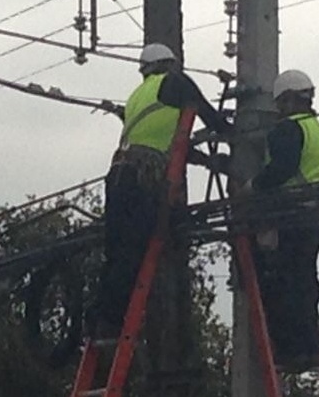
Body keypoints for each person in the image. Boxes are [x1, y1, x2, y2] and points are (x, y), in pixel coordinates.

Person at [91, 43, 231, 338]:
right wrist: (234, 135)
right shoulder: (175, 82)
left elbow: (168, 142)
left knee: (117, 251)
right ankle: (112, 324)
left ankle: (104, 323)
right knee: (136, 248)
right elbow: (207, 114)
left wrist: (207, 161)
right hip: (144, 178)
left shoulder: (137, 96)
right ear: (169, 64)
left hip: (118, 174)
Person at [243, 69, 319, 372]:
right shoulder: (314, 128)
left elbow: (281, 169)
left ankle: (289, 350)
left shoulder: (288, 130)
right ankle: (308, 349)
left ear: (289, 99)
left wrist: (254, 186)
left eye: (281, 103)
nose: (279, 110)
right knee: (304, 280)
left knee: (283, 282)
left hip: (289, 216)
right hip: (311, 216)